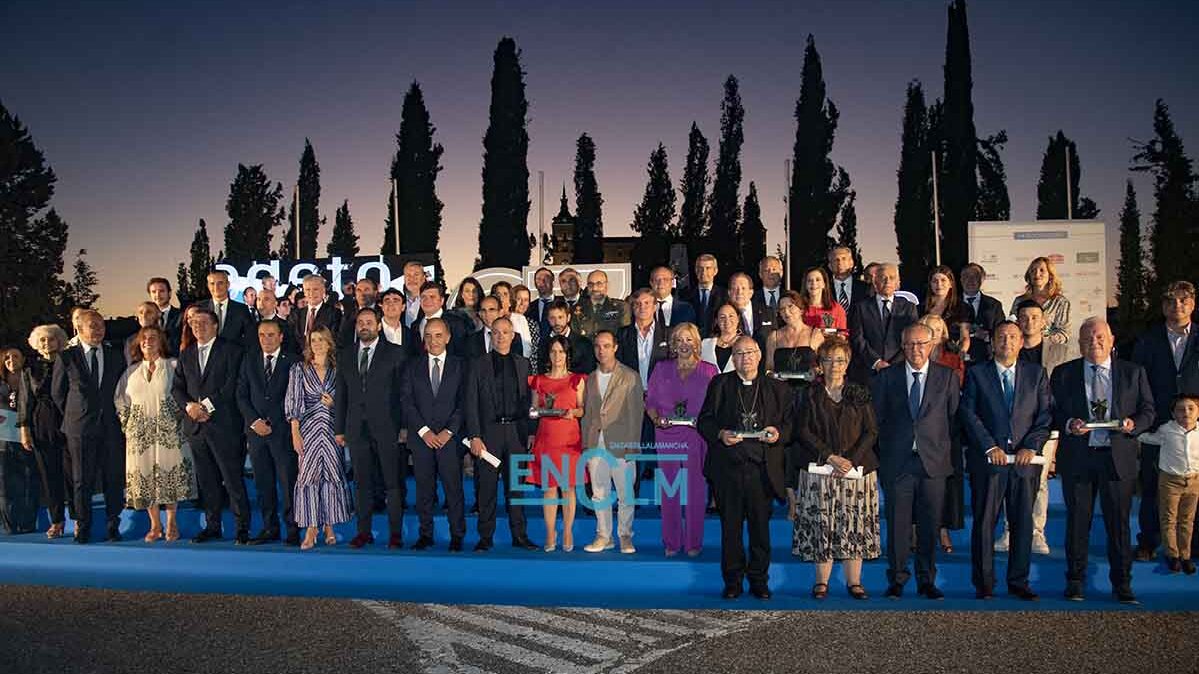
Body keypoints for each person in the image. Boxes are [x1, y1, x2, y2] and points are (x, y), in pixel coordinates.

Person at [1051, 317, 1154, 604]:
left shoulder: (1133, 373)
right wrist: (1070, 422)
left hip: (1117, 459)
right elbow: (1053, 412)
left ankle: (1122, 584)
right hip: (1079, 459)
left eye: (1099, 338)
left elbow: (1149, 410)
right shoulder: (1063, 373)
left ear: (1111, 340)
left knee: (1118, 525)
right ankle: (1075, 582)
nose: (1093, 343)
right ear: (1079, 344)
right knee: (1077, 523)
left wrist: (1134, 424)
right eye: (1087, 339)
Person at [959, 321, 1051, 600]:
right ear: (992, 342)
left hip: (1024, 464)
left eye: (1012, 337)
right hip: (989, 462)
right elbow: (968, 413)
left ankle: (1019, 582)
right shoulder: (976, 373)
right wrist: (989, 447)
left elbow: (1045, 416)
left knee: (1022, 523)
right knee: (985, 523)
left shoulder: (1037, 374)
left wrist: (1031, 447)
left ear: (1021, 341)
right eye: (1001, 337)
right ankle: (984, 584)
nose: (1007, 342)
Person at [698, 336, 793, 600]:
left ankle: (759, 581)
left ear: (760, 355)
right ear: (733, 358)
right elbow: (704, 421)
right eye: (739, 354)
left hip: (762, 471)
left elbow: (790, 426)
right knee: (731, 530)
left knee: (760, 530)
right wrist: (720, 434)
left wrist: (777, 434)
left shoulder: (778, 389)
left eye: (750, 352)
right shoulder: (720, 384)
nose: (745, 358)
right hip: (728, 469)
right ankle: (732, 582)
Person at [872, 323, 960, 600]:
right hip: (898, 464)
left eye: (921, 344)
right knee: (898, 525)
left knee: (929, 525)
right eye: (909, 344)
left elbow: (952, 419)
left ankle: (926, 580)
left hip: (933, 464)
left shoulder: (947, 377)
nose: (915, 350)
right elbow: (878, 420)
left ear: (932, 344)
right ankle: (897, 579)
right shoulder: (887, 377)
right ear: (902, 345)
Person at [789, 336, 880, 600]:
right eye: (828, 360)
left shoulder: (859, 393)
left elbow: (871, 431)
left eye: (840, 360)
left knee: (854, 525)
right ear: (820, 364)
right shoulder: (809, 394)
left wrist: (850, 459)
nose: (834, 365)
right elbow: (802, 430)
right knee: (823, 525)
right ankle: (822, 582)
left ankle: (855, 582)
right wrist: (830, 457)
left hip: (856, 473)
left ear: (848, 363)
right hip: (821, 471)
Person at [994, 299, 1072, 555]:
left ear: (1044, 321)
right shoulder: (1004, 350)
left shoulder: (1059, 352)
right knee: (1009, 482)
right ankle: (1009, 531)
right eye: (1024, 317)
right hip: (1009, 431)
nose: (1029, 322)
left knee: (1038, 483)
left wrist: (1055, 434)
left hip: (1043, 429)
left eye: (1035, 317)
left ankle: (1036, 533)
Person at [1131, 281, 1199, 562]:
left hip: (1195, 426)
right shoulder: (1147, 340)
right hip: (1158, 424)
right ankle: (1148, 541)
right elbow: (1137, 381)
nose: (1178, 306)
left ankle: (1191, 545)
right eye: (1171, 301)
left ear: (1193, 304)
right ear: (1163, 306)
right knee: (1151, 485)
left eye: (1184, 300)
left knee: (1194, 489)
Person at [172, 308, 250, 544]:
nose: (198, 327)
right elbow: (177, 388)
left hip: (224, 426)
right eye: (195, 323)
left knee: (233, 479)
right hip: (196, 428)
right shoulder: (186, 354)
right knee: (207, 481)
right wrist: (189, 407)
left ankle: (241, 528)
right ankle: (212, 526)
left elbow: (232, 384)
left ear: (215, 326)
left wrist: (205, 406)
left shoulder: (232, 351)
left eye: (204, 323)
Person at [335, 307, 409, 549]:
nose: (364, 326)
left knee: (392, 483)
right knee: (362, 483)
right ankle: (363, 532)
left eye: (369, 322)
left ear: (379, 325)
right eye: (360, 322)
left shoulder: (396, 353)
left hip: (388, 426)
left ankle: (395, 534)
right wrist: (339, 429)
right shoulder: (345, 354)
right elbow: (342, 394)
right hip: (356, 428)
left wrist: (404, 426)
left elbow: (403, 394)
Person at [463, 316, 539, 551]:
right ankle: (485, 537)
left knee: (515, 488)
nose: (500, 336)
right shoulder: (477, 364)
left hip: (517, 432)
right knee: (485, 488)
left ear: (513, 335)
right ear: (490, 335)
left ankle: (520, 536)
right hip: (488, 434)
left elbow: (530, 402)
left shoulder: (524, 363)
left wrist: (531, 432)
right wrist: (474, 435)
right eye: (496, 332)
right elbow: (470, 402)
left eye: (505, 332)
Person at [115, 326, 197, 543]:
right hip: (139, 435)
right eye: (143, 339)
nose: (148, 342)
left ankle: (171, 523)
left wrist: (179, 418)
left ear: (161, 342)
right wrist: (128, 424)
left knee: (169, 474)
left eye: (153, 338)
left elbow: (185, 393)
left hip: (170, 432)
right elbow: (120, 400)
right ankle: (154, 525)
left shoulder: (173, 365)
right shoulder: (130, 372)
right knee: (146, 476)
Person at [52, 309, 127, 544]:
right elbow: (58, 394)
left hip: (110, 428)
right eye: (92, 326)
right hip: (80, 429)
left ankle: (113, 525)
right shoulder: (67, 357)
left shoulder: (115, 355)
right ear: (80, 329)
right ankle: (82, 527)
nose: (98, 330)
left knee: (113, 478)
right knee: (81, 479)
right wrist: (78, 415)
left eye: (101, 325)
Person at [646, 323, 716, 556]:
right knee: (670, 489)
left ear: (696, 344)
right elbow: (651, 403)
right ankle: (672, 542)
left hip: (696, 436)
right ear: (673, 345)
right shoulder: (661, 369)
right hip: (667, 435)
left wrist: (704, 421)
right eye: (679, 340)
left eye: (689, 340)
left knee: (696, 489)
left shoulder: (709, 370)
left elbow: (715, 406)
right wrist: (656, 419)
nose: (684, 345)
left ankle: (693, 542)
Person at [402, 318, 468, 552]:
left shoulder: (461, 366)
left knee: (453, 489)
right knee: (424, 490)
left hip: (450, 440)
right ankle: (425, 534)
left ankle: (457, 535)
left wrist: (449, 431)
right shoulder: (412, 366)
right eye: (428, 336)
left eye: (438, 335)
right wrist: (424, 432)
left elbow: (464, 403)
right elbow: (407, 402)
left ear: (448, 338)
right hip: (422, 440)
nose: (433, 340)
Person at [285, 327, 351, 551]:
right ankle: (312, 527)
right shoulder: (299, 369)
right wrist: (295, 433)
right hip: (309, 430)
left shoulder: (339, 369)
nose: (318, 344)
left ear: (329, 343)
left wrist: (334, 405)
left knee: (332, 475)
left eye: (322, 340)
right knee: (309, 476)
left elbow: (347, 400)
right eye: (314, 340)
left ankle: (330, 525)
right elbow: (293, 402)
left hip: (333, 429)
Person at [236, 319, 300, 546]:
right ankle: (269, 528)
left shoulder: (293, 361)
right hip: (256, 433)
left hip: (283, 432)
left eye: (271, 335)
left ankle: (293, 529)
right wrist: (254, 421)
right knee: (263, 484)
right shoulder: (249, 360)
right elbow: (241, 394)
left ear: (281, 336)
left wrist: (276, 422)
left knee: (288, 482)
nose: (266, 339)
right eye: (262, 335)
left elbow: (295, 396)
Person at [527, 333, 587, 553]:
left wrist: (573, 412)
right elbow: (533, 410)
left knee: (568, 488)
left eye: (561, 351)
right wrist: (536, 413)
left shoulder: (577, 380)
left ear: (567, 354)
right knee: (549, 489)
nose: (557, 355)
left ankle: (568, 531)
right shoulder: (539, 380)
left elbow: (582, 409)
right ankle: (550, 532)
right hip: (547, 438)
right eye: (553, 351)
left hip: (570, 439)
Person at [919, 313, 966, 552]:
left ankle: (943, 529)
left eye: (938, 328)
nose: (934, 331)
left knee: (945, 483)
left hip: (947, 429)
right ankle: (919, 530)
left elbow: (955, 393)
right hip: (920, 433)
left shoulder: (953, 359)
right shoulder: (914, 357)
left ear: (944, 332)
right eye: (928, 327)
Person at [1136, 394, 1199, 575]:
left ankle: (1186, 555)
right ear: (1173, 414)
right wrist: (1130, 431)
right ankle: (1173, 555)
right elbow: (1147, 438)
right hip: (1170, 481)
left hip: (1194, 481)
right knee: (1169, 519)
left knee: (1187, 520)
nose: (1186, 413)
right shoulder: (1166, 430)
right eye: (1180, 410)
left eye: (1191, 409)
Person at [18, 324, 69, 538]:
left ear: (59, 341)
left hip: (68, 420)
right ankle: (57, 521)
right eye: (43, 340)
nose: (47, 343)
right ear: (37, 344)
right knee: (49, 475)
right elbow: (25, 401)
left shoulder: (69, 363)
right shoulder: (30, 369)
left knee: (71, 473)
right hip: (41, 423)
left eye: (51, 339)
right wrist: (25, 429)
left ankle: (78, 518)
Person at [848, 262, 918, 384]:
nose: (887, 281)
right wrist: (876, 362)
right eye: (883, 277)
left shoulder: (909, 308)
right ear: (875, 282)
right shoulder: (861, 307)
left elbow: (911, 339)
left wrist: (893, 365)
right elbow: (858, 339)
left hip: (900, 370)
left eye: (891, 278)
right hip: (869, 372)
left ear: (898, 283)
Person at [1, 347, 38, 534]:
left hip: (27, 438)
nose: (11, 360)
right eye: (7, 357)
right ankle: (9, 525)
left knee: (29, 480)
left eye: (16, 356)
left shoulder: (31, 378)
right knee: (5, 485)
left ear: (23, 359)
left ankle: (28, 523)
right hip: (3, 442)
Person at [1008, 256, 1071, 348]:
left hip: (1049, 353)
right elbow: (1012, 326)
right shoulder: (1019, 301)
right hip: (1022, 351)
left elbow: (1064, 333)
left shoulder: (1060, 302)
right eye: (1033, 271)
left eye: (1042, 270)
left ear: (1050, 275)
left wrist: (1041, 340)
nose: (1037, 274)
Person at [765, 291, 824, 381]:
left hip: (809, 390)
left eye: (790, 306)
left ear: (801, 309)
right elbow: (768, 368)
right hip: (780, 390)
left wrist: (815, 372)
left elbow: (823, 366)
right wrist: (774, 376)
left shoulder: (815, 334)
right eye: (782, 309)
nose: (786, 312)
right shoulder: (773, 337)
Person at [919, 265, 972, 363]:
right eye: (935, 281)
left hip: (950, 357)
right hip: (925, 358)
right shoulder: (920, 309)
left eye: (943, 280)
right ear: (930, 284)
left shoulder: (962, 308)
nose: (939, 284)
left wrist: (961, 354)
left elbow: (965, 337)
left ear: (951, 284)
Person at [617, 289, 668, 389]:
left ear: (655, 307)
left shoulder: (668, 333)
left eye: (647, 303)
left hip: (660, 393)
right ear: (632, 307)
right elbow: (619, 365)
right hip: (631, 392)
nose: (642, 307)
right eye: (637, 303)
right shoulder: (623, 334)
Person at [959, 263, 1005, 362]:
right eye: (966, 276)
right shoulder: (952, 304)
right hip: (957, 361)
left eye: (975, 276)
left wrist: (987, 336)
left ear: (982, 279)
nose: (970, 280)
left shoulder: (994, 305)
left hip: (985, 360)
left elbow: (1001, 332)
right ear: (961, 279)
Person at [197, 269, 254, 348]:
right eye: (212, 283)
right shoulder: (200, 308)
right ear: (208, 286)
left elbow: (250, 338)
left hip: (234, 357)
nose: (216, 287)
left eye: (220, 283)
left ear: (228, 285)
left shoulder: (241, 309)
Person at [413, 281, 470, 358]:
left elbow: (462, 353)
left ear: (442, 300)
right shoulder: (415, 325)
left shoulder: (456, 323)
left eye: (432, 297)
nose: (427, 300)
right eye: (423, 297)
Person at [539, 301, 595, 374]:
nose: (557, 322)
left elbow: (589, 372)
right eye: (552, 318)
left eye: (560, 317)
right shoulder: (543, 344)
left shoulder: (584, 343)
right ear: (548, 319)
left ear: (568, 317)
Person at [572, 269, 630, 338]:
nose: (594, 288)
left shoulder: (621, 307)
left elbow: (625, 336)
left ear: (607, 285)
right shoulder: (576, 310)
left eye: (599, 284)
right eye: (591, 284)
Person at [289, 274, 341, 349]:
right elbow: (292, 341)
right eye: (308, 290)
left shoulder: (334, 313)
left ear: (323, 290)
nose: (311, 293)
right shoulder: (296, 314)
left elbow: (333, 340)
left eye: (315, 289)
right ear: (304, 292)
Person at [681, 253, 726, 336]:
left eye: (708, 268)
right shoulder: (684, 295)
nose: (703, 272)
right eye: (700, 268)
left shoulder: (724, 295)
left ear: (715, 271)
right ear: (695, 270)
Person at [491, 281, 535, 362]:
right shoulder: (489, 319)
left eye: (505, 294)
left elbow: (527, 348)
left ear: (511, 300)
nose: (501, 298)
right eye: (498, 294)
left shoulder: (520, 319)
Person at [727, 273, 774, 347]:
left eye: (743, 288)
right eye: (735, 288)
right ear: (729, 293)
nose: (739, 292)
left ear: (751, 292)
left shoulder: (768, 312)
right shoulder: (724, 315)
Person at [798, 267, 847, 335]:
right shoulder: (798, 308)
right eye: (809, 280)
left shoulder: (837, 309)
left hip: (829, 345)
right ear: (805, 285)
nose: (813, 283)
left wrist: (829, 333)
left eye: (818, 280)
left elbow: (843, 336)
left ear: (824, 284)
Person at [700, 303, 742, 374]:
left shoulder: (746, 344)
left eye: (731, 316)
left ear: (738, 319)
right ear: (716, 321)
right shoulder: (705, 344)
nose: (727, 320)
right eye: (722, 317)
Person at [338, 277, 380, 346]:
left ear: (375, 292)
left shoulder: (383, 313)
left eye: (366, 290)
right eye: (359, 290)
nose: (362, 294)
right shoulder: (347, 314)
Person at [147, 277, 183, 355]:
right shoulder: (145, 318)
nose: (157, 295)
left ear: (169, 293)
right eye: (153, 292)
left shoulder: (181, 316)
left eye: (161, 291)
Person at [827, 246, 869, 312]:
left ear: (851, 263)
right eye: (836, 260)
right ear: (830, 266)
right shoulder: (824, 289)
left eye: (844, 259)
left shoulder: (866, 288)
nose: (840, 263)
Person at [526, 267, 559, 333]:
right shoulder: (529, 307)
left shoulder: (562, 303)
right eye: (539, 279)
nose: (542, 282)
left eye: (546, 279)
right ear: (535, 283)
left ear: (553, 282)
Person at [753, 256, 785, 321]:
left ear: (781, 273)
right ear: (760, 274)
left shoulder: (789, 296)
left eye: (774, 269)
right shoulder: (752, 298)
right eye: (766, 270)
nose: (770, 273)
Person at [400, 261, 428, 328]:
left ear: (424, 278)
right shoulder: (398, 302)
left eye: (416, 274)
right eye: (408, 275)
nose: (412, 279)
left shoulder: (431, 302)